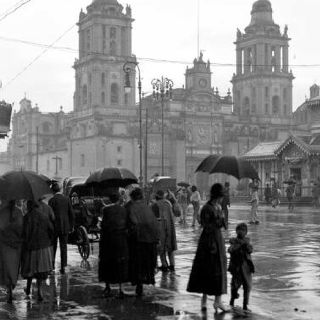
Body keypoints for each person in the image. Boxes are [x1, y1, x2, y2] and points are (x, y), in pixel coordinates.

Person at [187, 183, 229, 313]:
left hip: (218, 239)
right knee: (207, 269)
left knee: (219, 269)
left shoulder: (218, 207)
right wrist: (218, 219)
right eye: (221, 196)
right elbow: (206, 225)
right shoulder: (207, 208)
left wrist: (222, 217)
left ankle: (218, 300)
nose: (222, 199)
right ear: (217, 196)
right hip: (208, 241)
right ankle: (204, 300)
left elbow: (223, 225)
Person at [127, 188, 159, 296]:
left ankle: (139, 284)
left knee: (137, 264)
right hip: (150, 240)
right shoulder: (147, 207)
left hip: (138, 240)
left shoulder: (131, 208)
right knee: (146, 263)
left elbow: (133, 223)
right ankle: (143, 281)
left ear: (132, 197)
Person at [21, 199, 55, 301]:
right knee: (40, 271)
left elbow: (25, 234)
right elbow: (51, 230)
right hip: (43, 247)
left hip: (31, 248)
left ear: (29, 206)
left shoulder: (26, 217)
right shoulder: (44, 216)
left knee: (30, 270)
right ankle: (39, 291)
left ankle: (28, 288)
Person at [99, 192, 129, 298]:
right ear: (118, 199)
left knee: (107, 262)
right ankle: (121, 288)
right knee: (120, 263)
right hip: (120, 239)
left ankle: (108, 286)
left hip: (108, 239)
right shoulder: (123, 209)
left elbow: (103, 225)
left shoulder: (106, 210)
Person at [0, 200, 24, 303]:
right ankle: (11, 286)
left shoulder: (2, 212)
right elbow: (22, 228)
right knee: (14, 266)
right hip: (16, 245)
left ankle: (8, 286)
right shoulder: (19, 212)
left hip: (4, 244)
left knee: (6, 265)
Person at [228, 223, 255, 312]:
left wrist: (245, 245)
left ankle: (245, 305)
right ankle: (232, 301)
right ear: (236, 231)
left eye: (243, 230)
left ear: (246, 232)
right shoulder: (234, 241)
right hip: (237, 268)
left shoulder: (247, 242)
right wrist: (239, 246)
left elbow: (250, 250)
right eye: (239, 230)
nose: (241, 232)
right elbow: (230, 250)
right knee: (234, 286)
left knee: (247, 287)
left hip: (246, 268)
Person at [48, 183, 74, 274]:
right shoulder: (66, 199)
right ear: (60, 190)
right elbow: (71, 214)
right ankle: (63, 267)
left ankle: (52, 266)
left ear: (53, 191)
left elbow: (49, 216)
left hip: (54, 227)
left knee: (53, 247)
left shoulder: (51, 200)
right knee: (64, 248)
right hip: (64, 227)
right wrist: (71, 226)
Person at [151, 190, 177, 272]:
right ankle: (172, 265)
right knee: (170, 247)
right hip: (170, 227)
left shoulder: (155, 205)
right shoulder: (168, 203)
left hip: (160, 228)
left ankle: (164, 265)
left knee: (161, 248)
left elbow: (153, 219)